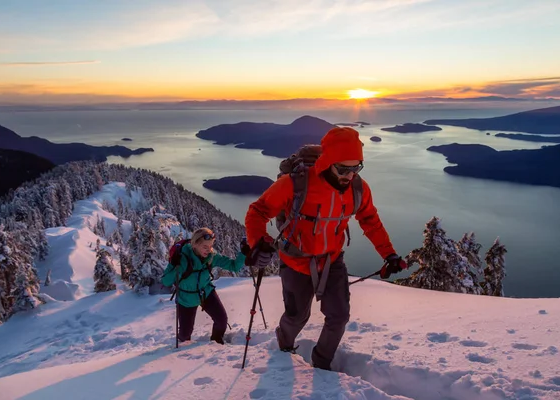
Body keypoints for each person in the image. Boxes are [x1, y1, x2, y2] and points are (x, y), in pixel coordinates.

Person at [244, 126, 407, 370]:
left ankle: (321, 365)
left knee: (339, 316)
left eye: (356, 168)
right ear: (328, 162)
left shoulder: (358, 189)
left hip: (332, 261)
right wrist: (258, 241)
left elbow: (370, 220)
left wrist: (389, 254)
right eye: (343, 168)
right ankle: (284, 344)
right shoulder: (296, 183)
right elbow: (258, 211)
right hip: (295, 261)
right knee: (297, 316)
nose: (350, 175)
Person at [161, 227, 247, 344]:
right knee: (185, 334)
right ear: (195, 245)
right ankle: (182, 352)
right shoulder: (182, 258)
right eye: (205, 247)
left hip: (205, 292)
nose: (209, 250)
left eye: (211, 246)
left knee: (221, 320)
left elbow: (234, 266)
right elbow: (166, 281)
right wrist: (175, 266)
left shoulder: (211, 257)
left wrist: (243, 253)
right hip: (187, 298)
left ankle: (216, 343)